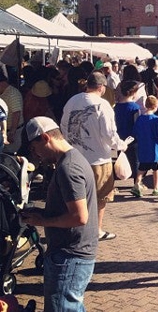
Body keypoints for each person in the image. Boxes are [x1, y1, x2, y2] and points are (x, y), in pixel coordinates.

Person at [21, 117, 98, 312]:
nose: (36, 154)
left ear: (45, 138)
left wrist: (43, 220)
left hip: (69, 255)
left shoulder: (68, 168)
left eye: (34, 148)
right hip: (73, 253)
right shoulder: (72, 159)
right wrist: (40, 213)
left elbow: (79, 217)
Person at [61, 71, 128, 241]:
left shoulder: (72, 101)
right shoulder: (103, 105)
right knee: (100, 197)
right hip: (98, 159)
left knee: (77, 195)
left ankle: (76, 227)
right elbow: (109, 133)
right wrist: (121, 145)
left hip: (74, 156)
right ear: (102, 87)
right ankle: (95, 230)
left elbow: (63, 126)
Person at [131, 96, 158, 197]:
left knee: (141, 169)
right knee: (156, 169)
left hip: (143, 148)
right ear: (155, 106)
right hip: (154, 149)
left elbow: (135, 132)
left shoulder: (140, 119)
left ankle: (137, 185)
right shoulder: (156, 119)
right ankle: (156, 187)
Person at [0, 68, 23, 154]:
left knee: (11, 155)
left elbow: (16, 113)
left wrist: (12, 132)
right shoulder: (3, 93)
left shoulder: (13, 93)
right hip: (6, 131)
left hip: (14, 131)